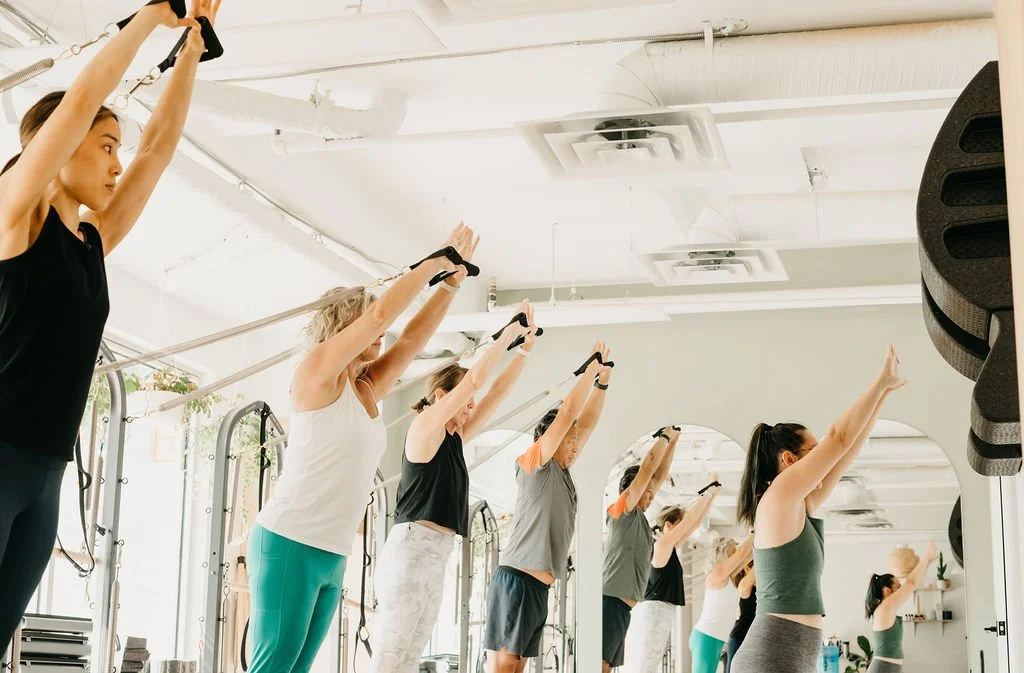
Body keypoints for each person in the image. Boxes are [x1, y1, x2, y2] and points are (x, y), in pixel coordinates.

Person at [0, 0, 218, 656]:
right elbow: (81, 102)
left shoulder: (91, 242)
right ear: (59, 151)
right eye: (104, 146)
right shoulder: (15, 220)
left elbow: (157, 152)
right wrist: (155, 16)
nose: (117, 162)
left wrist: (191, 52)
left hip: (45, 479)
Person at [249, 224, 479, 673]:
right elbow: (380, 320)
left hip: (333, 552)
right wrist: (433, 262)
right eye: (367, 315)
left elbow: (411, 341)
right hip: (290, 540)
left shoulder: (366, 388)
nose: (380, 325)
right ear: (342, 325)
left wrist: (450, 286)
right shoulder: (314, 372)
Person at [370, 304, 536, 673]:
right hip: (412, 551)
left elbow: (491, 397)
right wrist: (508, 334)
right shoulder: (425, 428)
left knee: (410, 657)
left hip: (436, 554)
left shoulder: (454, 439)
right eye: (463, 405)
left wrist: (524, 351)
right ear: (443, 396)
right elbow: (475, 382)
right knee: (391, 659)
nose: (468, 412)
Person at [730, 345, 906, 673]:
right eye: (814, 449)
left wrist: (884, 396)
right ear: (789, 459)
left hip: (792, 650)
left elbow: (846, 450)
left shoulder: (800, 504)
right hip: (772, 653)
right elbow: (838, 438)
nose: (820, 455)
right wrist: (879, 381)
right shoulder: (777, 499)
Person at [484, 342, 614, 673]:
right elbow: (569, 415)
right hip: (516, 580)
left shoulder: (564, 474)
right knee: (504, 666)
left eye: (575, 444)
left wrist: (603, 383)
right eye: (568, 442)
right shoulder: (534, 462)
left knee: (518, 667)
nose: (575, 448)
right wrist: (588, 372)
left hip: (536, 587)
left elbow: (585, 424)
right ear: (550, 438)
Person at [602, 426, 681, 673]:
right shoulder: (621, 510)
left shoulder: (640, 521)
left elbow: (657, 476)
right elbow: (648, 470)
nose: (650, 497)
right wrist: (664, 437)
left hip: (622, 608)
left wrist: (675, 441)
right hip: (610, 603)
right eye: (645, 492)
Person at [623, 478, 722, 673]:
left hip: (659, 613)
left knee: (647, 667)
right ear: (668, 525)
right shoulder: (660, 546)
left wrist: (711, 497)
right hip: (653, 613)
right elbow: (691, 522)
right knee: (644, 668)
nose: (683, 530)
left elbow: (693, 524)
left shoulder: (667, 547)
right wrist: (708, 493)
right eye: (679, 525)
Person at [864, 541, 939, 673]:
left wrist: (929, 561)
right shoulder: (884, 609)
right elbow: (911, 583)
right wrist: (926, 556)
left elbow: (913, 583)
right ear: (886, 590)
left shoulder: (886, 610)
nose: (901, 590)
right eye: (898, 587)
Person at [689, 535, 753, 673]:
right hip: (707, 637)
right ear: (722, 555)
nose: (736, 554)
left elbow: (746, 556)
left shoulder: (728, 577)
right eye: (733, 552)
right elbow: (742, 554)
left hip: (715, 639)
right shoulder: (716, 574)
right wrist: (759, 528)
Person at [725, 561, 756, 673]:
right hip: (739, 640)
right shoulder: (745, 588)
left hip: (752, 642)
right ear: (748, 569)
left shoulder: (763, 591)